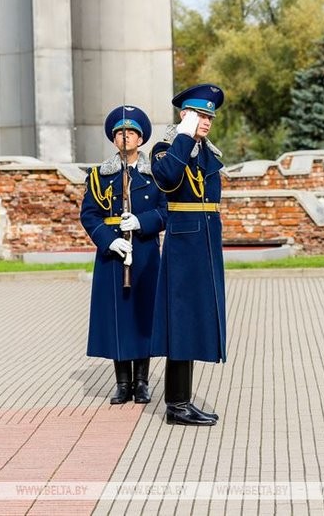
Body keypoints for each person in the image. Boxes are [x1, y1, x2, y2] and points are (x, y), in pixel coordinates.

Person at [149, 84, 227, 425]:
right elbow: (167, 180)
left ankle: (182, 400)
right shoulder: (165, 149)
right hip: (183, 245)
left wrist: (195, 142)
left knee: (195, 322)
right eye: (200, 115)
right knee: (180, 323)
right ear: (184, 115)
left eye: (210, 115)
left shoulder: (208, 152)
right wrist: (183, 136)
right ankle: (175, 405)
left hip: (207, 243)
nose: (206, 122)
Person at [80, 105, 167, 404]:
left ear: (141, 139)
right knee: (118, 318)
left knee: (143, 316)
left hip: (144, 254)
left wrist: (143, 222)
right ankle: (122, 383)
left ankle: (142, 382)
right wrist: (108, 240)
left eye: (131, 133)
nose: (126, 138)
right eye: (120, 133)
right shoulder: (99, 176)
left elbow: (166, 211)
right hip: (113, 255)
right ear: (113, 139)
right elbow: (89, 215)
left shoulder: (155, 175)